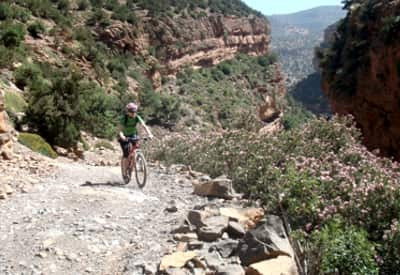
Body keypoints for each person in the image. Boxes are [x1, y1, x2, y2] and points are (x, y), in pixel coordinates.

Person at [118, 102, 153, 179]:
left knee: (136, 148)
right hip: (124, 136)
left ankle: (137, 162)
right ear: (128, 112)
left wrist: (149, 134)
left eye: (135, 112)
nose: (133, 113)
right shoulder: (124, 118)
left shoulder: (137, 117)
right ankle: (124, 172)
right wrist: (122, 136)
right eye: (132, 112)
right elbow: (120, 130)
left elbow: (144, 125)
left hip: (133, 135)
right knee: (126, 154)